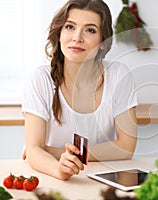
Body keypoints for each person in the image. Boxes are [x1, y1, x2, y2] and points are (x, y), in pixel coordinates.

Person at [22, 0, 138, 181]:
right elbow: (33, 151)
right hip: (50, 177)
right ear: (59, 33)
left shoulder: (118, 75)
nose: (77, 37)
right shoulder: (40, 79)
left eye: (90, 30)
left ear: (102, 41)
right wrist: (58, 168)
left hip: (100, 177)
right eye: (70, 27)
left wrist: (55, 152)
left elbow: (126, 146)